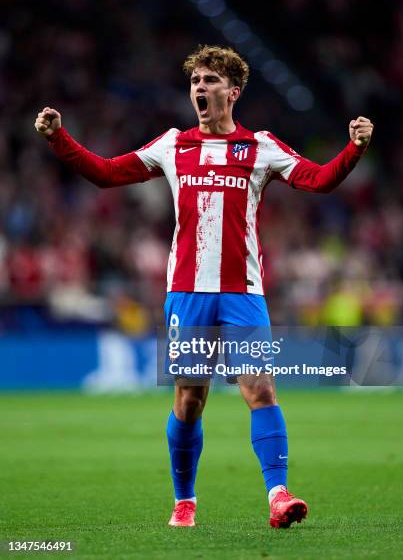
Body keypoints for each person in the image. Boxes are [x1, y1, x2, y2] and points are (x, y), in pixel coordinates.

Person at [34, 45, 374, 529]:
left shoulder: (261, 148)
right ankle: (184, 501)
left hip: (243, 294)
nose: (199, 88)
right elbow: (107, 174)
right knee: (190, 400)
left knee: (260, 390)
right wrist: (59, 138)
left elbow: (318, 180)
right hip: (188, 294)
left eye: (210, 80)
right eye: (195, 81)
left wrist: (354, 150)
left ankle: (278, 495)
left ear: (232, 92)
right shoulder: (174, 145)